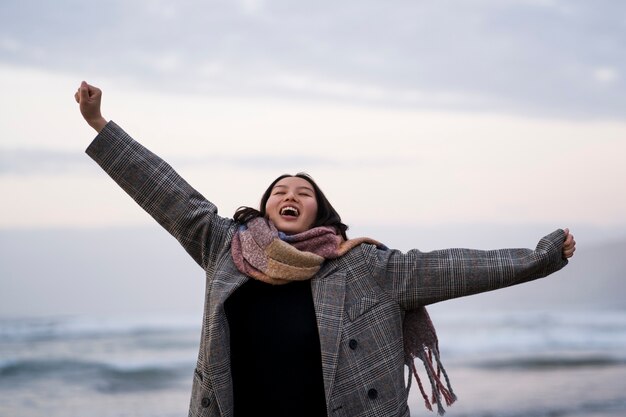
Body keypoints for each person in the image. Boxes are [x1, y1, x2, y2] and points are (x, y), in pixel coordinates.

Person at [74, 81, 576, 417]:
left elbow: (452, 268)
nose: (290, 196)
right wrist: (100, 124)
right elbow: (168, 193)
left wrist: (541, 257)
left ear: (321, 213)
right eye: (279, 191)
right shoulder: (224, 246)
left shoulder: (365, 267)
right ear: (264, 206)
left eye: (303, 192)